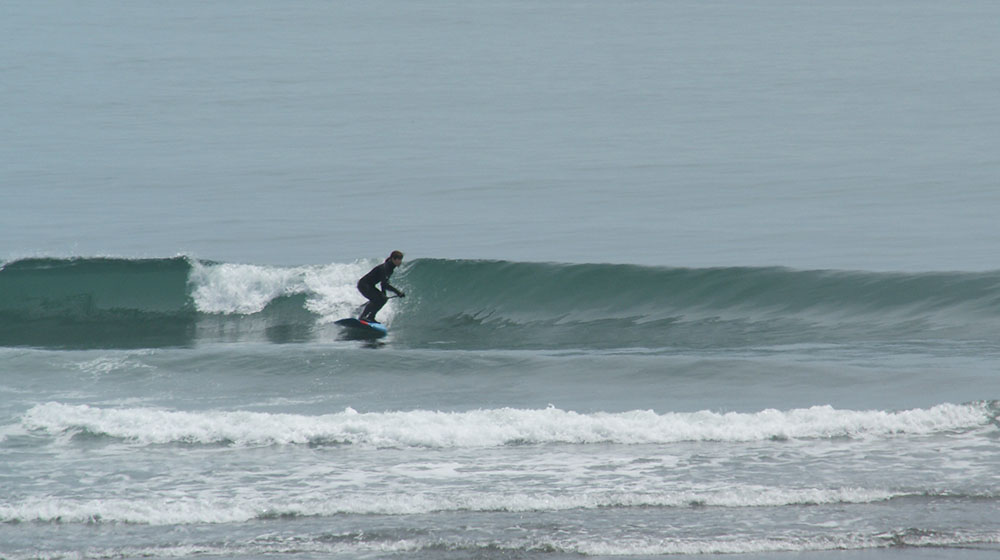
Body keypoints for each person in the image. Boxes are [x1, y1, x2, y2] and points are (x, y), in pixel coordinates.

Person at [357, 251, 405, 322]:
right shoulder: (385, 268)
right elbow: (385, 284)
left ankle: (371, 317)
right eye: (399, 259)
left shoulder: (390, 268)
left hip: (370, 285)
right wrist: (398, 292)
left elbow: (383, 284)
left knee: (383, 299)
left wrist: (383, 294)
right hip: (363, 284)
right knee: (375, 299)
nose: (400, 262)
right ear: (393, 259)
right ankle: (362, 317)